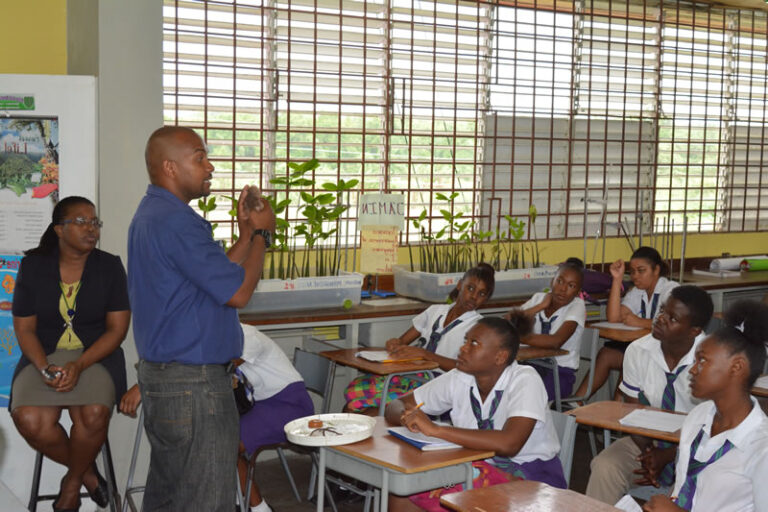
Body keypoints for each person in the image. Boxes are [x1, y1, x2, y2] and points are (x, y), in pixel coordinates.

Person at [128, 126, 276, 511]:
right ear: (170, 167)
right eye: (199, 157)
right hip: (194, 388)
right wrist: (262, 236)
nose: (210, 166)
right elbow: (238, 292)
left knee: (171, 497)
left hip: (169, 382)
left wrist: (244, 236)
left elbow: (209, 279)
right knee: (207, 500)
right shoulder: (177, 222)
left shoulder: (156, 214)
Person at [10, 196, 130, 511]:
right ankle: (88, 475)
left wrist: (78, 365)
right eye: (81, 222)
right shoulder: (33, 267)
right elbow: (25, 330)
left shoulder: (109, 266)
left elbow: (117, 331)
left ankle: (71, 486)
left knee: (92, 415)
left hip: (96, 357)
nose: (91, 229)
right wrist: (44, 367)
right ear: (59, 230)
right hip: (44, 356)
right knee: (30, 419)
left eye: (95, 222)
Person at [120, 323, 314, 512]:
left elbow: (216, 368)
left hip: (289, 404)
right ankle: (246, 501)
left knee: (225, 445)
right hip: (261, 404)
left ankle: (257, 507)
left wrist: (142, 386)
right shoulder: (210, 339)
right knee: (214, 439)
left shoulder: (246, 336)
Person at [384, 315, 565, 512]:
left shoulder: (525, 379)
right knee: (404, 487)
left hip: (530, 478)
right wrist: (409, 417)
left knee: (442, 492)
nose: (463, 348)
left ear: (500, 357)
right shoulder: (460, 377)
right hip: (477, 468)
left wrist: (436, 430)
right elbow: (395, 405)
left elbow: (509, 444)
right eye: (465, 341)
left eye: (474, 343)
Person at [585, 285, 713, 505]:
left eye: (672, 318)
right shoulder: (637, 350)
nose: (661, 318)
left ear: (694, 331)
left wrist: (668, 455)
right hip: (647, 441)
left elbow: (715, 426)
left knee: (686, 492)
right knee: (605, 466)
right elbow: (632, 410)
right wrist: (650, 454)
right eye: (662, 310)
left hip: (699, 447)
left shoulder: (712, 360)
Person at [642, 301, 768, 512]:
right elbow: (684, 488)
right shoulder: (699, 416)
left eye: (702, 360)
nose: (692, 370)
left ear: (736, 367)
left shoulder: (761, 447)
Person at [344, 263, 495, 414]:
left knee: (373, 412)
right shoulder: (435, 311)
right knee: (352, 397)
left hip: (439, 384)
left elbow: (466, 369)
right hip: (411, 375)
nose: (474, 297)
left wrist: (425, 354)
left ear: (486, 299)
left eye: (482, 294)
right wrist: (394, 344)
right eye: (470, 288)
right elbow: (402, 341)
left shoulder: (479, 328)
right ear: (460, 285)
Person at [573, 246, 678, 402]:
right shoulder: (638, 291)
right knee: (606, 354)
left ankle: (619, 412)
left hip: (665, 356)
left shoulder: (670, 290)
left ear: (656, 270)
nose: (635, 276)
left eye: (641, 271)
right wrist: (617, 279)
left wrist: (639, 322)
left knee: (632, 357)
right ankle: (577, 401)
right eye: (632, 271)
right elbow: (614, 317)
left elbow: (673, 323)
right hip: (643, 350)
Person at [512, 259, 585, 400]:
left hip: (559, 373)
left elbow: (556, 342)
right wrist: (539, 307)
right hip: (530, 367)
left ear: (578, 292)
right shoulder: (539, 298)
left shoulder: (577, 306)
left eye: (571, 285)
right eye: (560, 281)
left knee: (528, 399)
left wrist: (518, 336)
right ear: (552, 281)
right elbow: (508, 322)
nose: (563, 289)